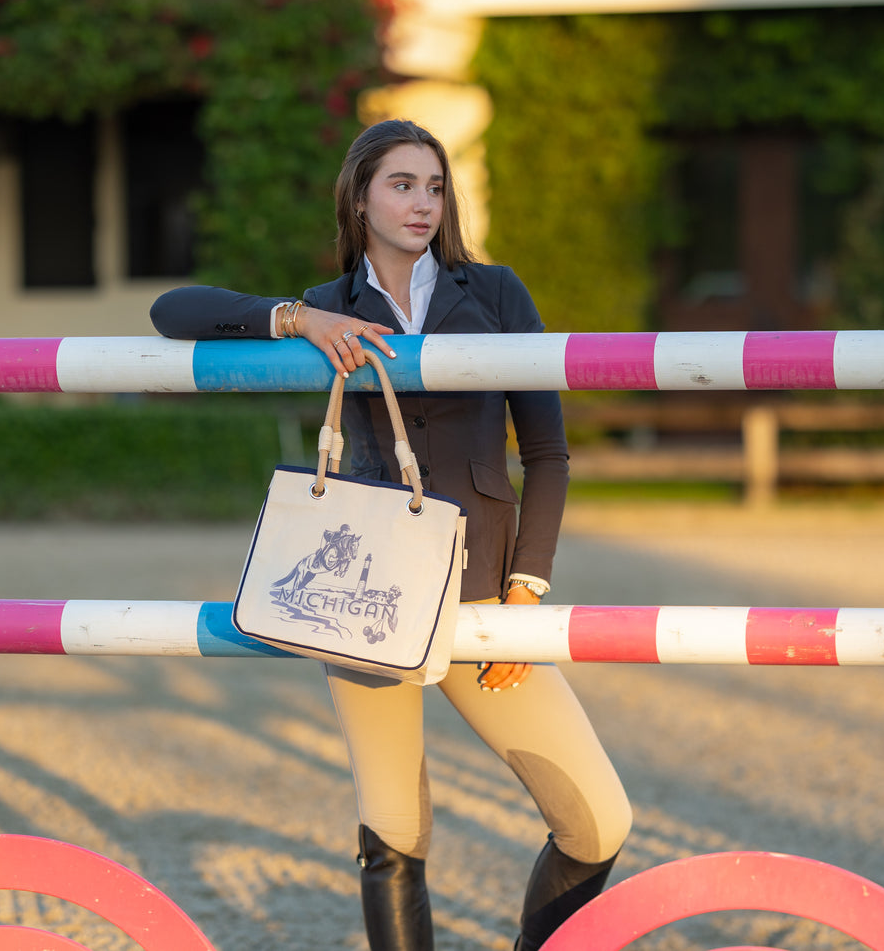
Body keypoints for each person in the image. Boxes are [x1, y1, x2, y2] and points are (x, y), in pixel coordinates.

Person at [150, 119, 631, 951]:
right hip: (362, 592)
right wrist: (293, 321)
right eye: (401, 184)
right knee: (393, 831)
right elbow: (170, 311)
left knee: (598, 820)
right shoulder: (330, 305)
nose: (421, 202)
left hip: (484, 591)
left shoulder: (497, 293)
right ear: (359, 197)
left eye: (434, 186)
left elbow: (547, 454)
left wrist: (528, 587)